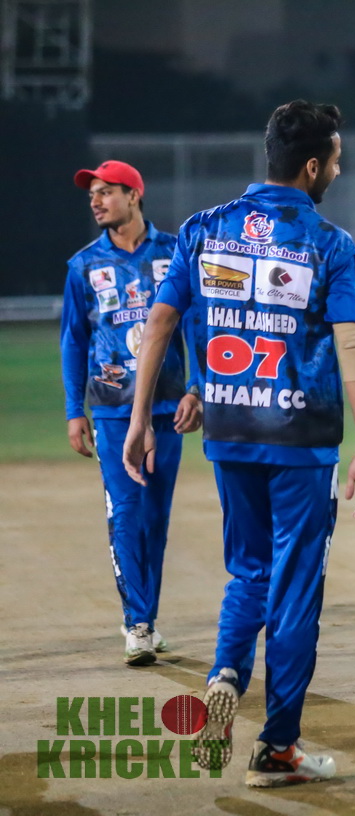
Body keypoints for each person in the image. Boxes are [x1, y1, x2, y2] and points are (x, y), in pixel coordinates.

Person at [122, 100, 355, 787]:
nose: (338, 172)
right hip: (301, 440)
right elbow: (352, 342)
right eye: (336, 161)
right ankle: (278, 747)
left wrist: (141, 418)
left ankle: (225, 674)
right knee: (296, 589)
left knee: (250, 571)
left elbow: (159, 323)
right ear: (313, 165)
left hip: (230, 431)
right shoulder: (327, 242)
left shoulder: (204, 228)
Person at [61, 159, 201, 666]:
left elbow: (197, 326)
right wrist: (74, 409)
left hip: (169, 408)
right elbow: (73, 340)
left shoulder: (175, 254)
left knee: (155, 520)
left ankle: (147, 619)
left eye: (106, 192)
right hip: (113, 410)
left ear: (134, 195)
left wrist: (197, 388)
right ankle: (137, 623)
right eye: (92, 194)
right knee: (125, 514)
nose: (96, 201)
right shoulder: (83, 265)